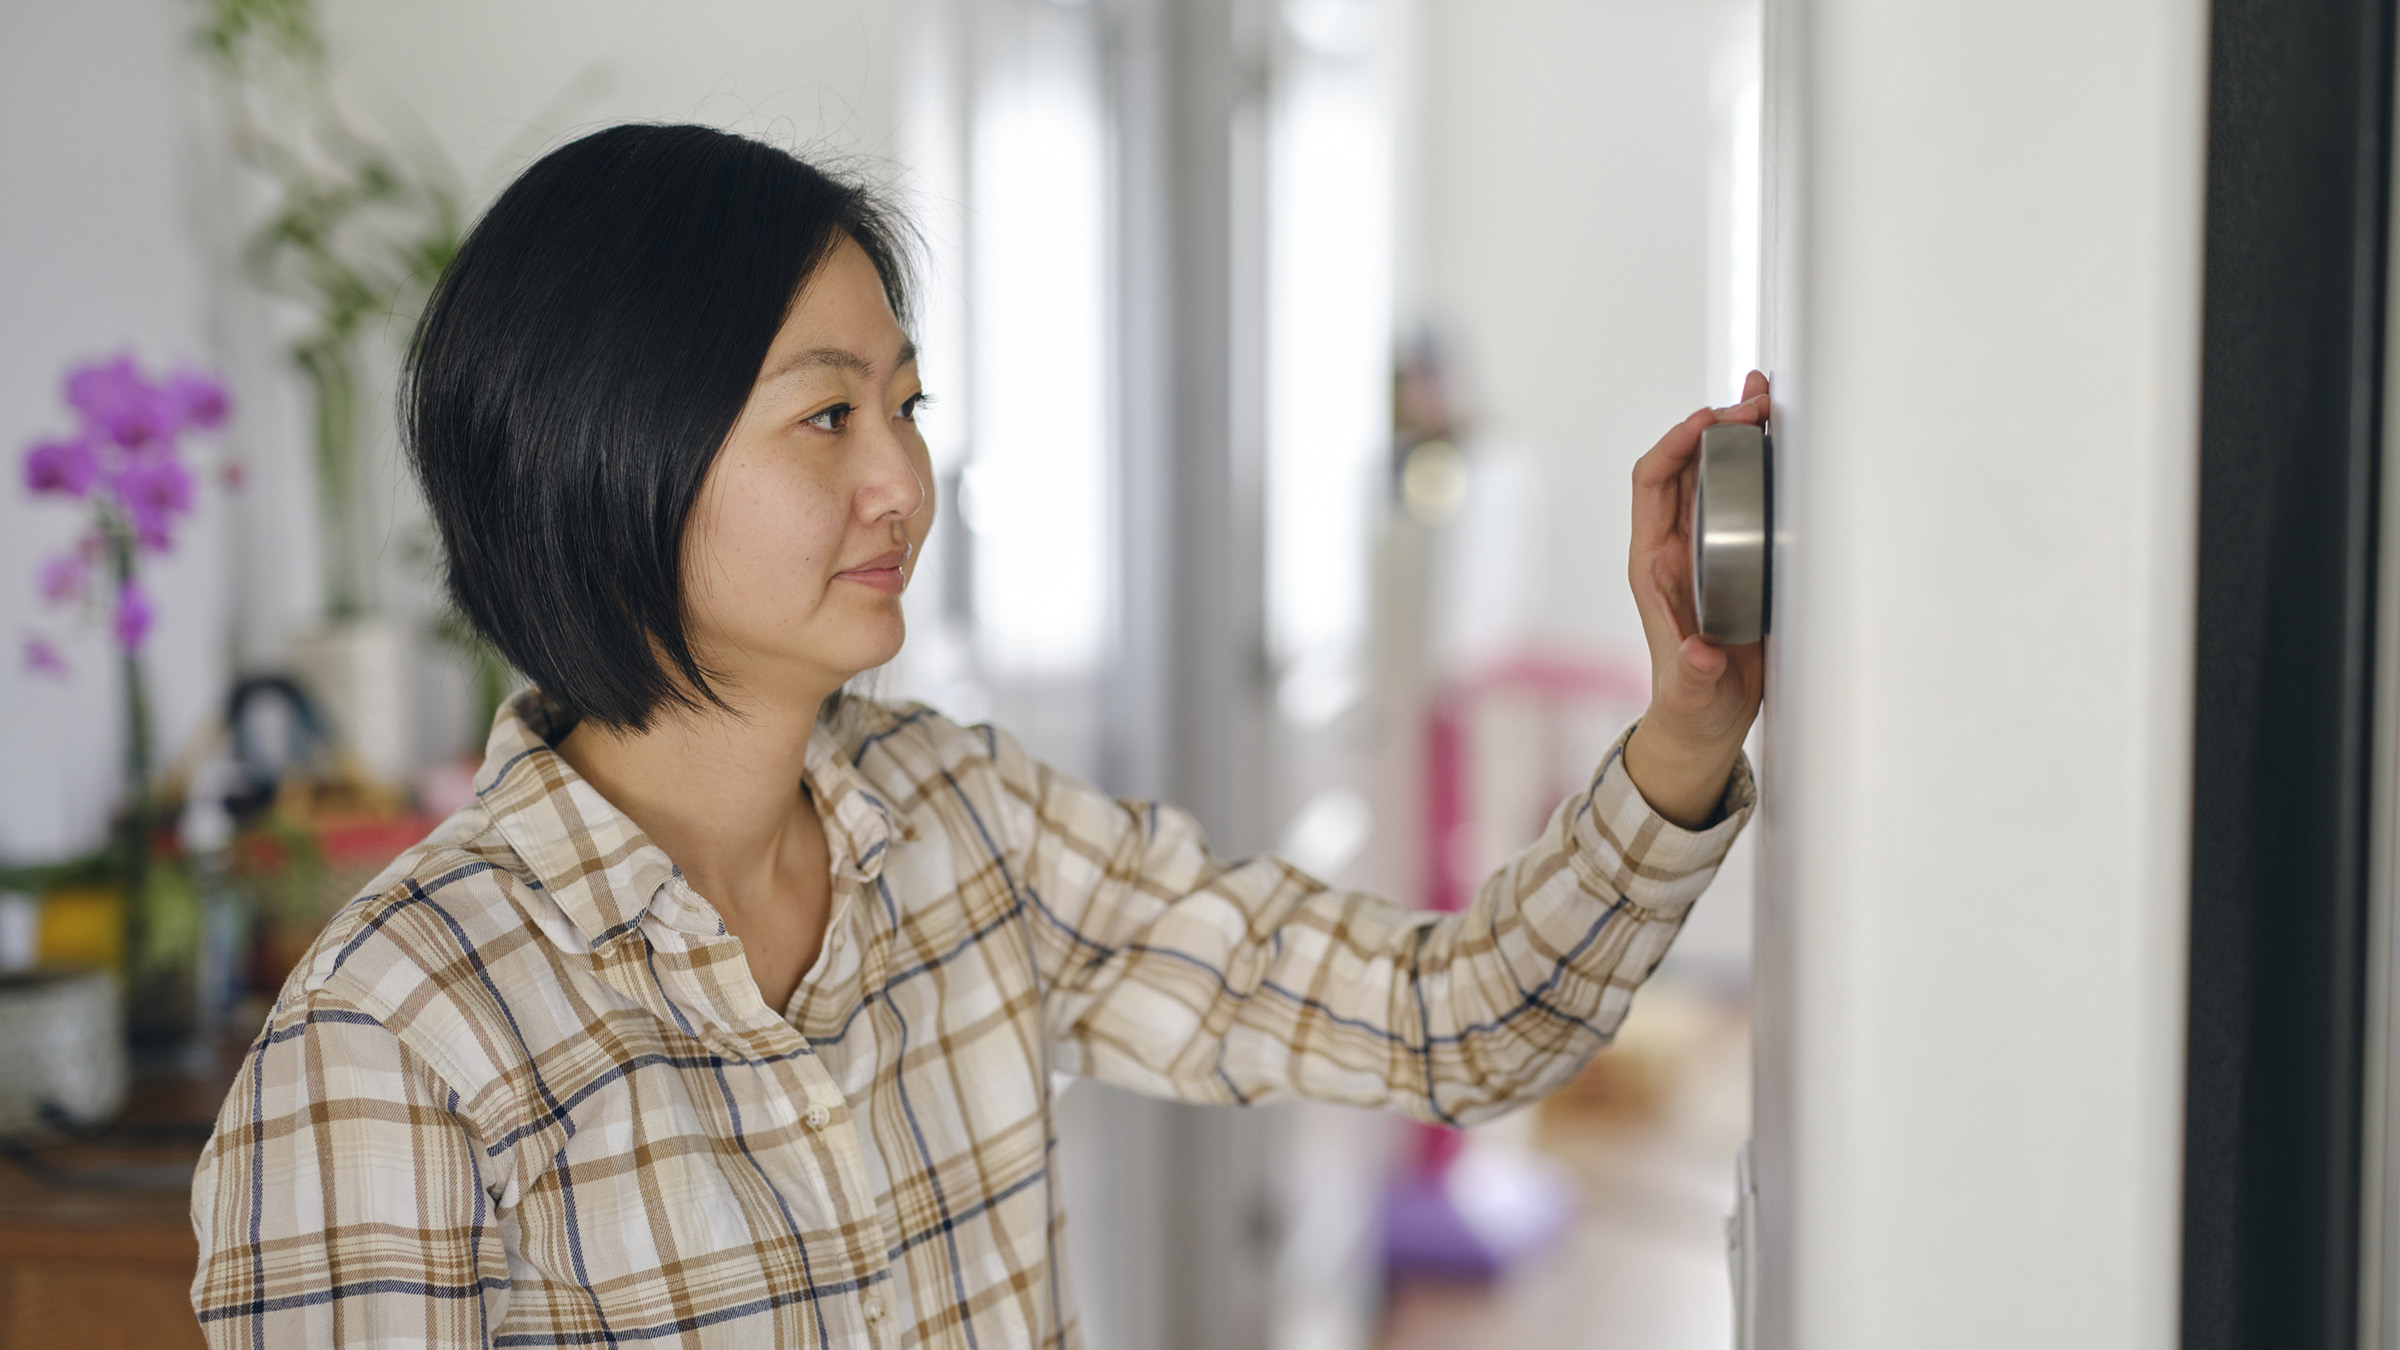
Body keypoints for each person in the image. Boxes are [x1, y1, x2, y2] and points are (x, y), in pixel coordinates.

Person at [188, 122, 1765, 1348]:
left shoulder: (965, 821)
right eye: (828, 415)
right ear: (616, 460)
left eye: (910, 406)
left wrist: (1687, 724)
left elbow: (1458, 1023)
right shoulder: (390, 1043)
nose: (904, 482)